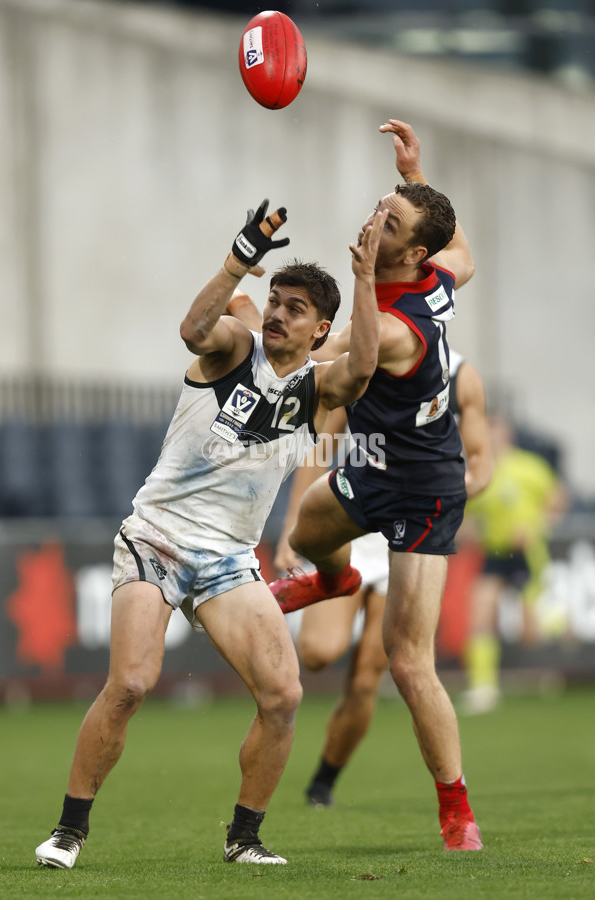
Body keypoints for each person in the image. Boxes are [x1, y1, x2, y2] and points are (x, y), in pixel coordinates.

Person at [34, 197, 388, 869]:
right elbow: (196, 327)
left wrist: (368, 280)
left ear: (320, 330)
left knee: (283, 695)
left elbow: (365, 369)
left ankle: (244, 838)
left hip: (228, 559)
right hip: (158, 538)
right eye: (275, 300)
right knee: (132, 683)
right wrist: (240, 260)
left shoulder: (317, 389)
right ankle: (69, 831)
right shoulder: (235, 347)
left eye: (296, 308)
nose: (278, 312)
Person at [268, 119, 485, 851]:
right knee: (306, 529)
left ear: (407, 252)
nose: (373, 219)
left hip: (426, 487)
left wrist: (353, 285)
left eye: (389, 220)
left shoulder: (395, 325)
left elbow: (349, 365)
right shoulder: (437, 270)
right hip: (376, 465)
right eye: (380, 205)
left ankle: (456, 810)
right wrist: (415, 173)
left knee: (407, 659)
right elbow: (465, 252)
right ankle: (333, 582)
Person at [271, 350, 491, 808]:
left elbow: (480, 464)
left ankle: (323, 781)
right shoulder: (360, 364)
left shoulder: (460, 377)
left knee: (374, 672)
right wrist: (292, 527)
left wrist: (439, 491)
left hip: (412, 525)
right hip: (357, 514)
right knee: (316, 653)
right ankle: (339, 581)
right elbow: (322, 450)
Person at [462, 412, 567, 714]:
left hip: (527, 553)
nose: (491, 435)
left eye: (496, 429)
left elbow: (558, 500)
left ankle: (561, 626)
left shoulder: (529, 467)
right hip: (495, 554)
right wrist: (471, 530)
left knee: (532, 632)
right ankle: (483, 689)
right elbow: (468, 515)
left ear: (506, 433)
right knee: (480, 611)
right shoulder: (479, 473)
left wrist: (536, 526)